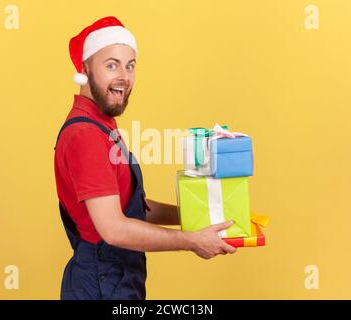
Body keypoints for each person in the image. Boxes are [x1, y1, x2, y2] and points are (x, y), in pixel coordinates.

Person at [54, 16, 236, 300]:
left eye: (130, 65)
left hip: (114, 278)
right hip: (101, 283)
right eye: (111, 64)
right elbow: (113, 228)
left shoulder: (102, 125)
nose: (124, 77)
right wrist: (191, 241)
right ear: (85, 68)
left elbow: (134, 208)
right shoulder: (85, 135)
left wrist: (203, 217)